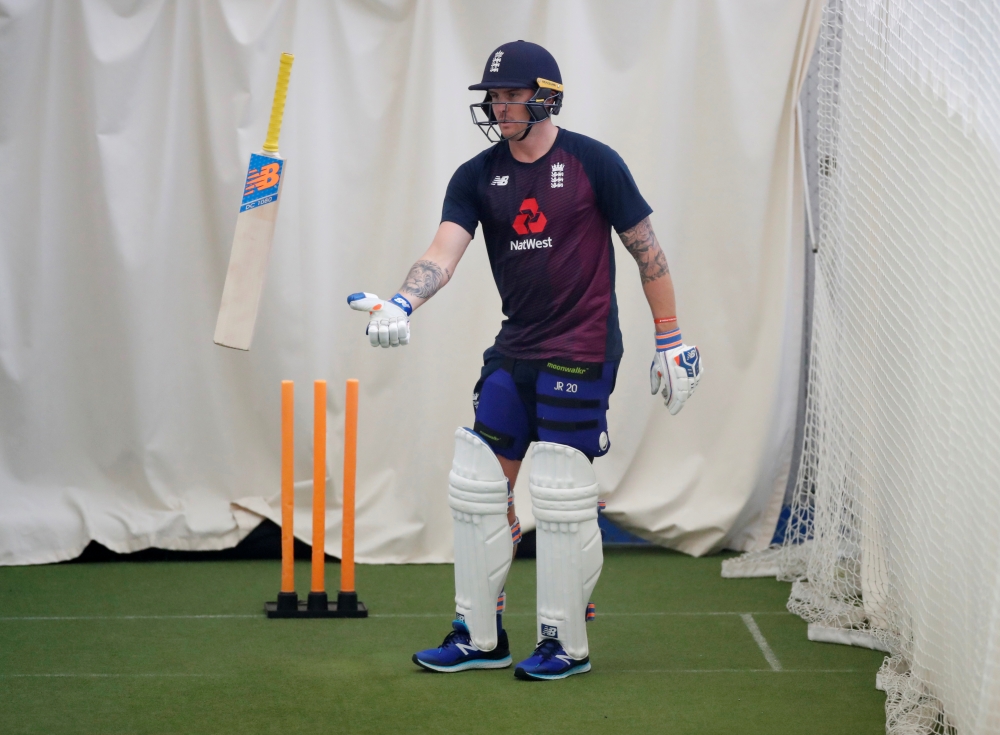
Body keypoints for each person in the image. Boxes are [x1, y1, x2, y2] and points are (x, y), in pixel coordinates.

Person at [348, 40, 702, 681]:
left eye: (511, 96)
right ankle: (479, 637)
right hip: (517, 347)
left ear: (546, 98)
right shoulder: (477, 175)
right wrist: (401, 302)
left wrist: (671, 338)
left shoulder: (595, 163)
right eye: (494, 96)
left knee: (563, 492)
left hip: (584, 348)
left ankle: (565, 642)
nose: (498, 106)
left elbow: (647, 251)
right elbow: (443, 252)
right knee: (479, 486)